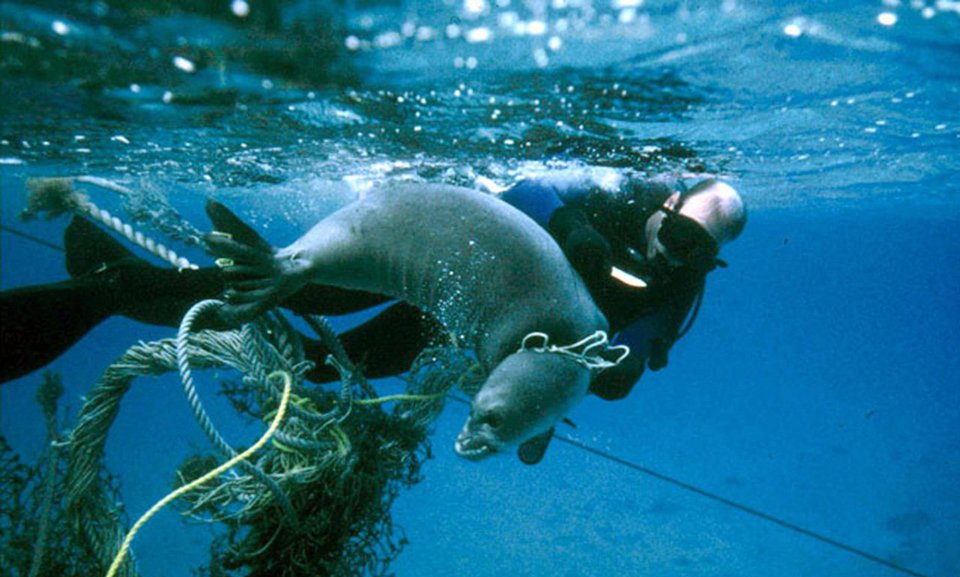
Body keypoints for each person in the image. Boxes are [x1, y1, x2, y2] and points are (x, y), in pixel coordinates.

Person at [0, 173, 745, 410]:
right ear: (667, 206)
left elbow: (631, 360)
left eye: (697, 255)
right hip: (435, 259)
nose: (676, 256)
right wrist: (574, 227)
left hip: (458, 321)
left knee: (328, 365)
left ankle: (117, 284)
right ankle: (110, 286)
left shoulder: (678, 290)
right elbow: (526, 188)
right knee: (282, 287)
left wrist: (611, 364)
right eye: (678, 235)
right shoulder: (615, 199)